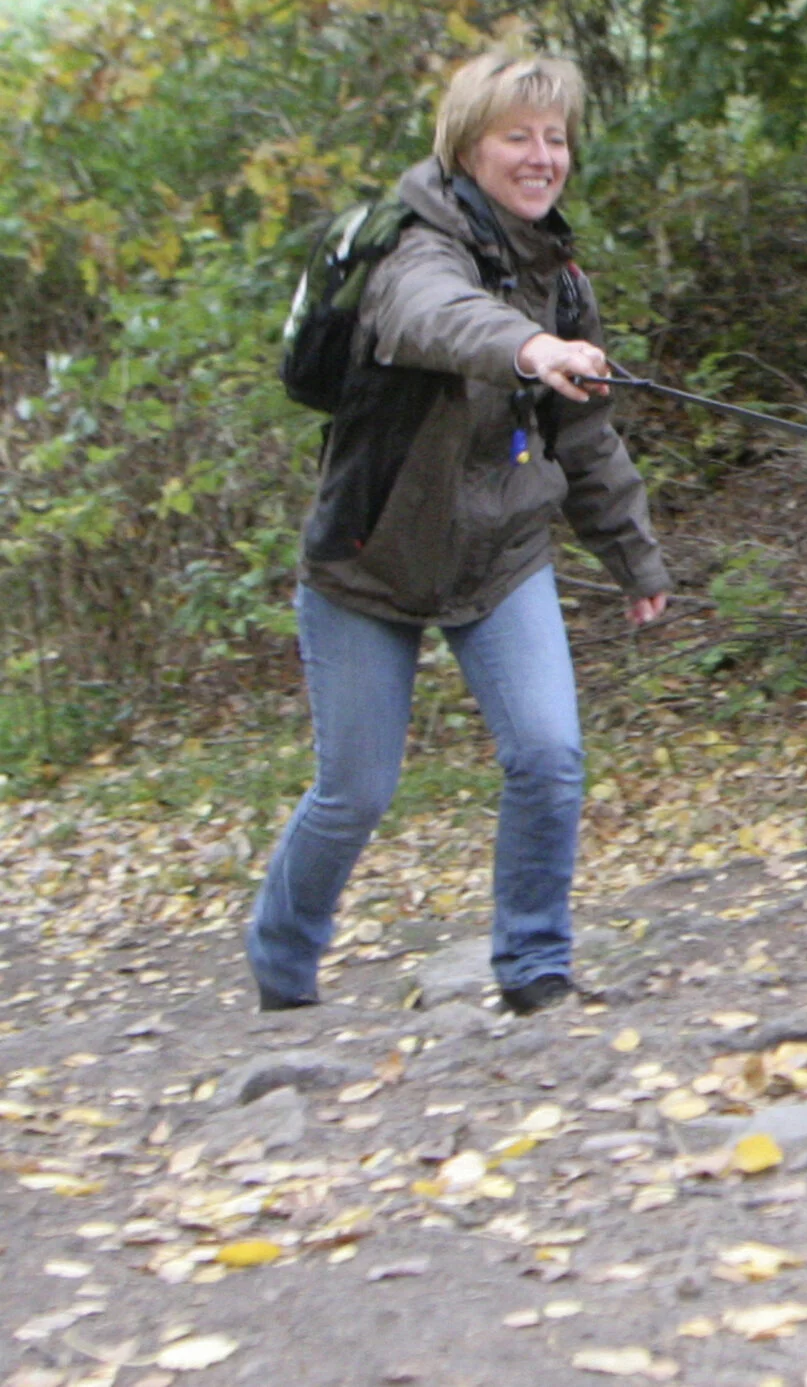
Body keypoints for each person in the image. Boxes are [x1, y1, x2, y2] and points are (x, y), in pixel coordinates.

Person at [248, 51, 669, 1017]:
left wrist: (633, 555)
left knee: (550, 755)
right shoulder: (414, 247)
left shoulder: (559, 276)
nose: (541, 156)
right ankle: (281, 953)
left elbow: (587, 436)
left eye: (554, 137)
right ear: (467, 146)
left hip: (499, 555)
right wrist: (530, 347)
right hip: (370, 557)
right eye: (517, 136)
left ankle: (534, 967)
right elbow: (438, 318)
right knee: (355, 790)